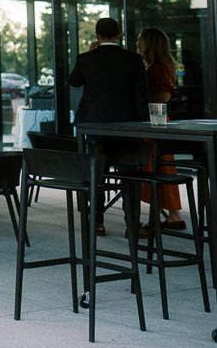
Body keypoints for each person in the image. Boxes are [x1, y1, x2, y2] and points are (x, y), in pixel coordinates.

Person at [68, 16, 148, 235]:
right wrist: (144, 126)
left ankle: (97, 222)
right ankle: (132, 225)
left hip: (94, 128)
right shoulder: (133, 60)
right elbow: (142, 96)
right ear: (119, 34)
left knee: (97, 176)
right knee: (130, 178)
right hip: (127, 126)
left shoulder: (86, 59)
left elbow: (73, 81)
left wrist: (90, 52)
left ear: (97, 36)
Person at [137, 26, 185, 231]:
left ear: (149, 43)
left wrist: (139, 99)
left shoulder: (159, 68)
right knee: (163, 166)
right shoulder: (159, 66)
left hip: (154, 120)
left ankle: (158, 216)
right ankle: (173, 215)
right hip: (158, 119)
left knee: (153, 166)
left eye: (140, 39)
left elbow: (163, 96)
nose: (137, 43)